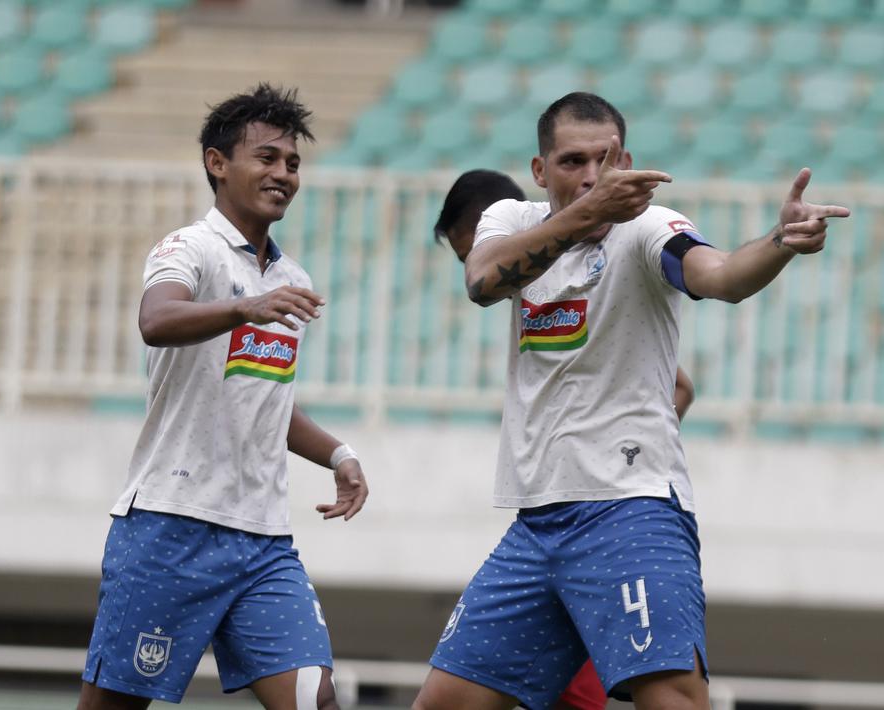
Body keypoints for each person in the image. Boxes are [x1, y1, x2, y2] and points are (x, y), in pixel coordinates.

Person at [413, 92, 848, 710]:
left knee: (672, 697)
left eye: (605, 159)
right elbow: (482, 280)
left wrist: (778, 241)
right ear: (540, 171)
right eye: (571, 162)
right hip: (537, 522)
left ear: (627, 160)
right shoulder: (508, 219)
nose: (592, 176)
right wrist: (581, 216)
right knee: (443, 703)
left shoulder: (648, 227)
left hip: (629, 512)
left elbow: (720, 275)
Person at [79, 84, 369, 710]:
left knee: (317, 699)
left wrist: (339, 454)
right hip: (170, 526)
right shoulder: (188, 248)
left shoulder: (292, 279)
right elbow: (156, 319)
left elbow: (266, 403)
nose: (284, 174)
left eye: (292, 163)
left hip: (263, 541)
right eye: (266, 158)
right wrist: (244, 306)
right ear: (218, 164)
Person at [432, 169, 697, 710]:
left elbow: (680, 385)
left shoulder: (604, 256)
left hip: (613, 520)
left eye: (474, 251)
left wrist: (613, 447)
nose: (483, 263)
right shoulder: (534, 295)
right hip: (543, 523)